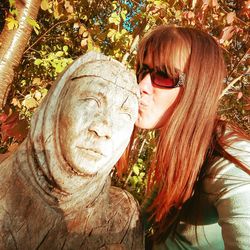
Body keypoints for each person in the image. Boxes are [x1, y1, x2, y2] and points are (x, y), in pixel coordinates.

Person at [117, 25, 250, 249]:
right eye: (143, 71)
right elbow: (146, 225)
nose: (141, 86)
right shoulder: (181, 148)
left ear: (197, 88)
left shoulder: (229, 158)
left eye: (164, 75)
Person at [0, 51, 144, 249]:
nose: (103, 129)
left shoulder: (123, 215)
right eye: (92, 101)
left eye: (125, 115)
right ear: (57, 103)